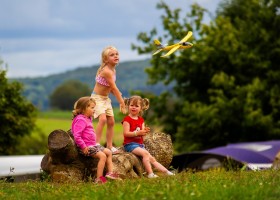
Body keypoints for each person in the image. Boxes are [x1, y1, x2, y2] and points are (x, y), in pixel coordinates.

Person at [122, 95, 174, 178]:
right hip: (130, 144)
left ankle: (166, 172)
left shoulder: (141, 120)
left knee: (152, 159)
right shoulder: (127, 120)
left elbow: (142, 134)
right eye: (132, 105)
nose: (134, 107)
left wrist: (144, 132)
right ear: (128, 106)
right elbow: (126, 133)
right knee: (146, 154)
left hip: (140, 145)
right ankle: (150, 174)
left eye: (136, 106)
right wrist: (137, 133)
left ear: (141, 108)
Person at [71, 96, 120, 184]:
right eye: (92, 108)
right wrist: (83, 146)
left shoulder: (88, 118)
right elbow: (77, 136)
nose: (94, 110)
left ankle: (110, 173)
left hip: (92, 145)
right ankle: (99, 178)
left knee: (108, 152)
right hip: (85, 147)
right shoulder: (80, 120)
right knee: (102, 156)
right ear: (83, 109)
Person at [91, 46, 126, 154]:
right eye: (112, 55)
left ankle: (110, 145)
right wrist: (121, 102)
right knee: (102, 119)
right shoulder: (106, 71)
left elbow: (110, 87)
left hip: (105, 99)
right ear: (106, 59)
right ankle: (95, 144)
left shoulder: (113, 70)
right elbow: (114, 88)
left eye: (117, 54)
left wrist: (118, 94)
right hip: (97, 98)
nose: (116, 56)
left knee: (111, 121)